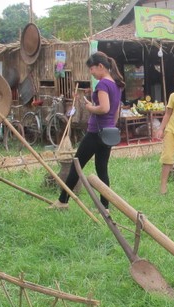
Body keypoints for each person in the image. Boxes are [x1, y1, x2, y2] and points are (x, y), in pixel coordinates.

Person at [50, 52, 124, 210]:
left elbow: (104, 108)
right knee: (102, 169)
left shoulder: (103, 84)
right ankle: (104, 206)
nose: (91, 72)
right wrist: (111, 124)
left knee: (76, 166)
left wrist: (90, 107)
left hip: (95, 132)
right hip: (108, 132)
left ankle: (62, 201)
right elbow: (115, 111)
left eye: (92, 69)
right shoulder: (117, 85)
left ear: (101, 66)